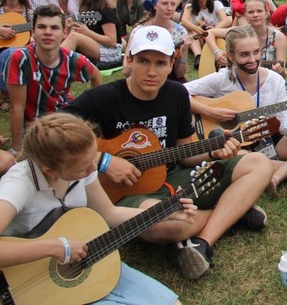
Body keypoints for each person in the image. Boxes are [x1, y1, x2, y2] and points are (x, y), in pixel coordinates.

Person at [65, 26, 274, 280]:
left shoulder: (176, 94)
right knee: (161, 223)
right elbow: (50, 135)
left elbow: (184, 153)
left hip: (172, 176)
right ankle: (233, 213)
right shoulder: (102, 99)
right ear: (128, 60)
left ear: (171, 63)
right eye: (143, 61)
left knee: (258, 163)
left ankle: (203, 240)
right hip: (127, 193)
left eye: (160, 63)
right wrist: (104, 160)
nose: (152, 71)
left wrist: (213, 153)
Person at [0, 113, 194, 304]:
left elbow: (109, 213)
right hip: (29, 285)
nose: (94, 169)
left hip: (85, 262)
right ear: (49, 171)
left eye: (93, 159)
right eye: (84, 167)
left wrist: (165, 213)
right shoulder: (17, 185)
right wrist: (55, 247)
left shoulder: (84, 166)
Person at [185, 25, 287, 195]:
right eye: (244, 54)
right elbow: (180, 92)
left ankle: (274, 177)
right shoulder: (222, 78)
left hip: (267, 139)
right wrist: (210, 112)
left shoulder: (275, 80)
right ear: (230, 56)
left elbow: (285, 126)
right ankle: (280, 169)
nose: (252, 59)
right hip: (237, 145)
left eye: (256, 52)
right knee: (237, 156)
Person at [2, 5, 101, 167]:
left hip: (63, 120)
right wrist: (17, 148)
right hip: (33, 125)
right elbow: (17, 107)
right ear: (33, 32)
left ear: (65, 34)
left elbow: (96, 76)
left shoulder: (73, 59)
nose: (48, 32)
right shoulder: (20, 58)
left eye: (54, 28)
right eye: (42, 27)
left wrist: (93, 110)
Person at [126, 0, 192, 82]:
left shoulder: (180, 32)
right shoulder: (140, 30)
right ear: (155, 5)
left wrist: (184, 51)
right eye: (164, 3)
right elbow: (126, 70)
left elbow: (179, 74)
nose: (169, 8)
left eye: (173, 4)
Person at [61, 0, 121, 66]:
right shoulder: (88, 13)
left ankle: (55, 62)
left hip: (111, 51)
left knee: (74, 37)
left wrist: (87, 32)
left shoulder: (106, 12)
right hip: (96, 46)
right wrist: (69, 27)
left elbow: (112, 41)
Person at [181, 0, 231, 68]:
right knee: (191, 32)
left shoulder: (216, 4)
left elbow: (225, 21)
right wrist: (197, 29)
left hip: (213, 35)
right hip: (197, 37)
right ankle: (198, 56)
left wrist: (212, 30)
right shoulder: (189, 6)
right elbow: (184, 20)